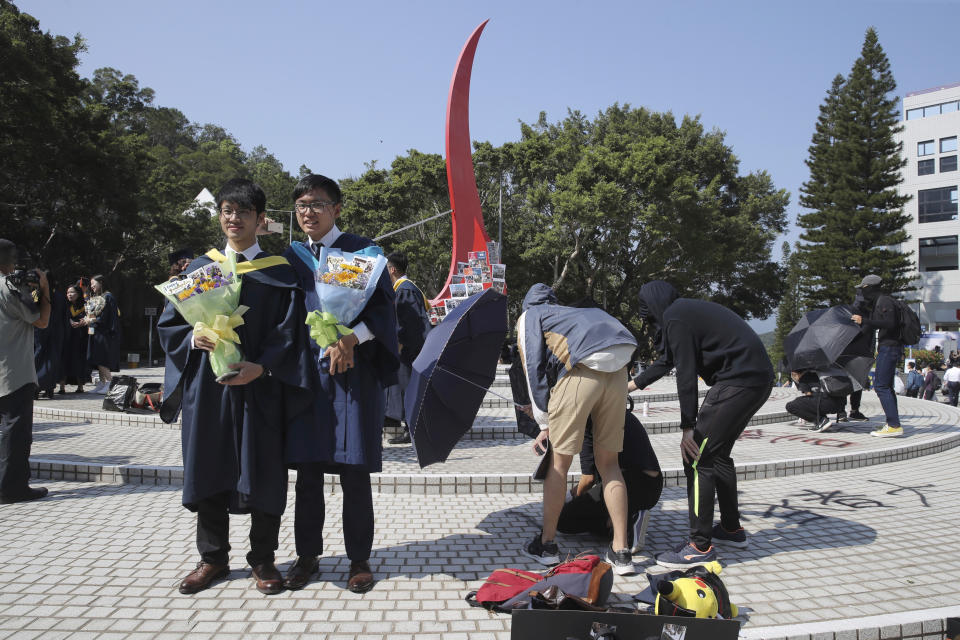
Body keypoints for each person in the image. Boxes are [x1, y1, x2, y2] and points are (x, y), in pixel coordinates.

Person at [157, 179, 316, 596]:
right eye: (227, 210)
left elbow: (289, 334)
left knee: (265, 470)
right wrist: (194, 338)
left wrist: (262, 368)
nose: (233, 218)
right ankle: (212, 559)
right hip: (209, 390)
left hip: (260, 389)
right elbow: (170, 324)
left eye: (243, 212)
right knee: (209, 464)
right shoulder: (201, 270)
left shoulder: (278, 271)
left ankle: (263, 559)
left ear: (260, 220)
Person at [282, 174, 400, 594]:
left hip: (354, 377)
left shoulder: (362, 252)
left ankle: (359, 559)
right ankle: (307, 556)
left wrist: (351, 338)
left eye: (316, 204)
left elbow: (386, 314)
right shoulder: (291, 259)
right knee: (309, 473)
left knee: (354, 471)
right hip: (309, 380)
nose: (308, 212)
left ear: (336, 208)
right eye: (301, 206)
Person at [628, 281, 773, 569]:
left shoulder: (676, 319)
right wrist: (629, 386)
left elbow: (685, 374)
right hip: (754, 379)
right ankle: (732, 529)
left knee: (696, 458)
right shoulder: (682, 313)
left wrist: (687, 427)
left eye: (648, 315)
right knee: (717, 457)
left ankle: (699, 546)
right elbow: (667, 361)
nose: (649, 321)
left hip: (738, 383)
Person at [517, 283, 638, 575]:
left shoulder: (531, 316)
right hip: (619, 368)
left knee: (559, 464)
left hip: (581, 371)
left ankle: (547, 545)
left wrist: (542, 419)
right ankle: (621, 552)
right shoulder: (573, 313)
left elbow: (532, 365)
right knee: (609, 464)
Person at [556, 411, 663, 554]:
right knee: (599, 505)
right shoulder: (619, 411)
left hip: (628, 484)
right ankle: (622, 519)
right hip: (653, 487)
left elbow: (588, 479)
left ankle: (629, 523)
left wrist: (568, 500)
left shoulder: (590, 422)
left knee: (563, 521)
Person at [0, 239, 51, 503]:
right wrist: (44, 289)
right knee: (15, 433)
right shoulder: (7, 288)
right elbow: (40, 320)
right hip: (13, 371)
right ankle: (12, 488)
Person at [383, 251, 432, 445]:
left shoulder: (405, 290)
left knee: (406, 389)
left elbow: (408, 323)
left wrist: (399, 343)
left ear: (392, 269)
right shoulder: (406, 288)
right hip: (408, 350)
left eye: (385, 269)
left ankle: (412, 431)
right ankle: (409, 429)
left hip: (407, 351)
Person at [850, 275, 904, 437]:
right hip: (888, 347)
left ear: (869, 288)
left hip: (890, 347)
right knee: (886, 386)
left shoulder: (884, 301)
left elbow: (890, 323)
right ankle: (893, 423)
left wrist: (864, 320)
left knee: (881, 386)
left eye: (863, 288)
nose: (862, 292)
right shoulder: (881, 302)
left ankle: (894, 425)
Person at [81, 275, 121, 394]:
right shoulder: (97, 297)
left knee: (102, 358)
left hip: (104, 332)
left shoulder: (108, 297)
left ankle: (110, 383)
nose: (92, 286)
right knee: (97, 358)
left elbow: (107, 317)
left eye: (94, 283)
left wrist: (93, 320)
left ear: (101, 283)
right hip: (95, 331)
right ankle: (102, 383)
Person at [33, 272, 67, 400]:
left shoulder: (36, 295)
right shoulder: (60, 296)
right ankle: (50, 386)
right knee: (52, 358)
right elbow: (65, 317)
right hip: (56, 332)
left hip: (39, 330)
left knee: (38, 356)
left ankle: (35, 387)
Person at [62, 285, 90, 393]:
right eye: (68, 292)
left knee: (78, 361)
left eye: (72, 292)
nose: (69, 294)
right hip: (67, 337)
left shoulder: (85, 305)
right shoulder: (64, 305)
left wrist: (83, 322)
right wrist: (69, 321)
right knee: (65, 360)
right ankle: (62, 387)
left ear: (78, 294)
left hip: (80, 337)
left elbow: (90, 317)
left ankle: (80, 386)